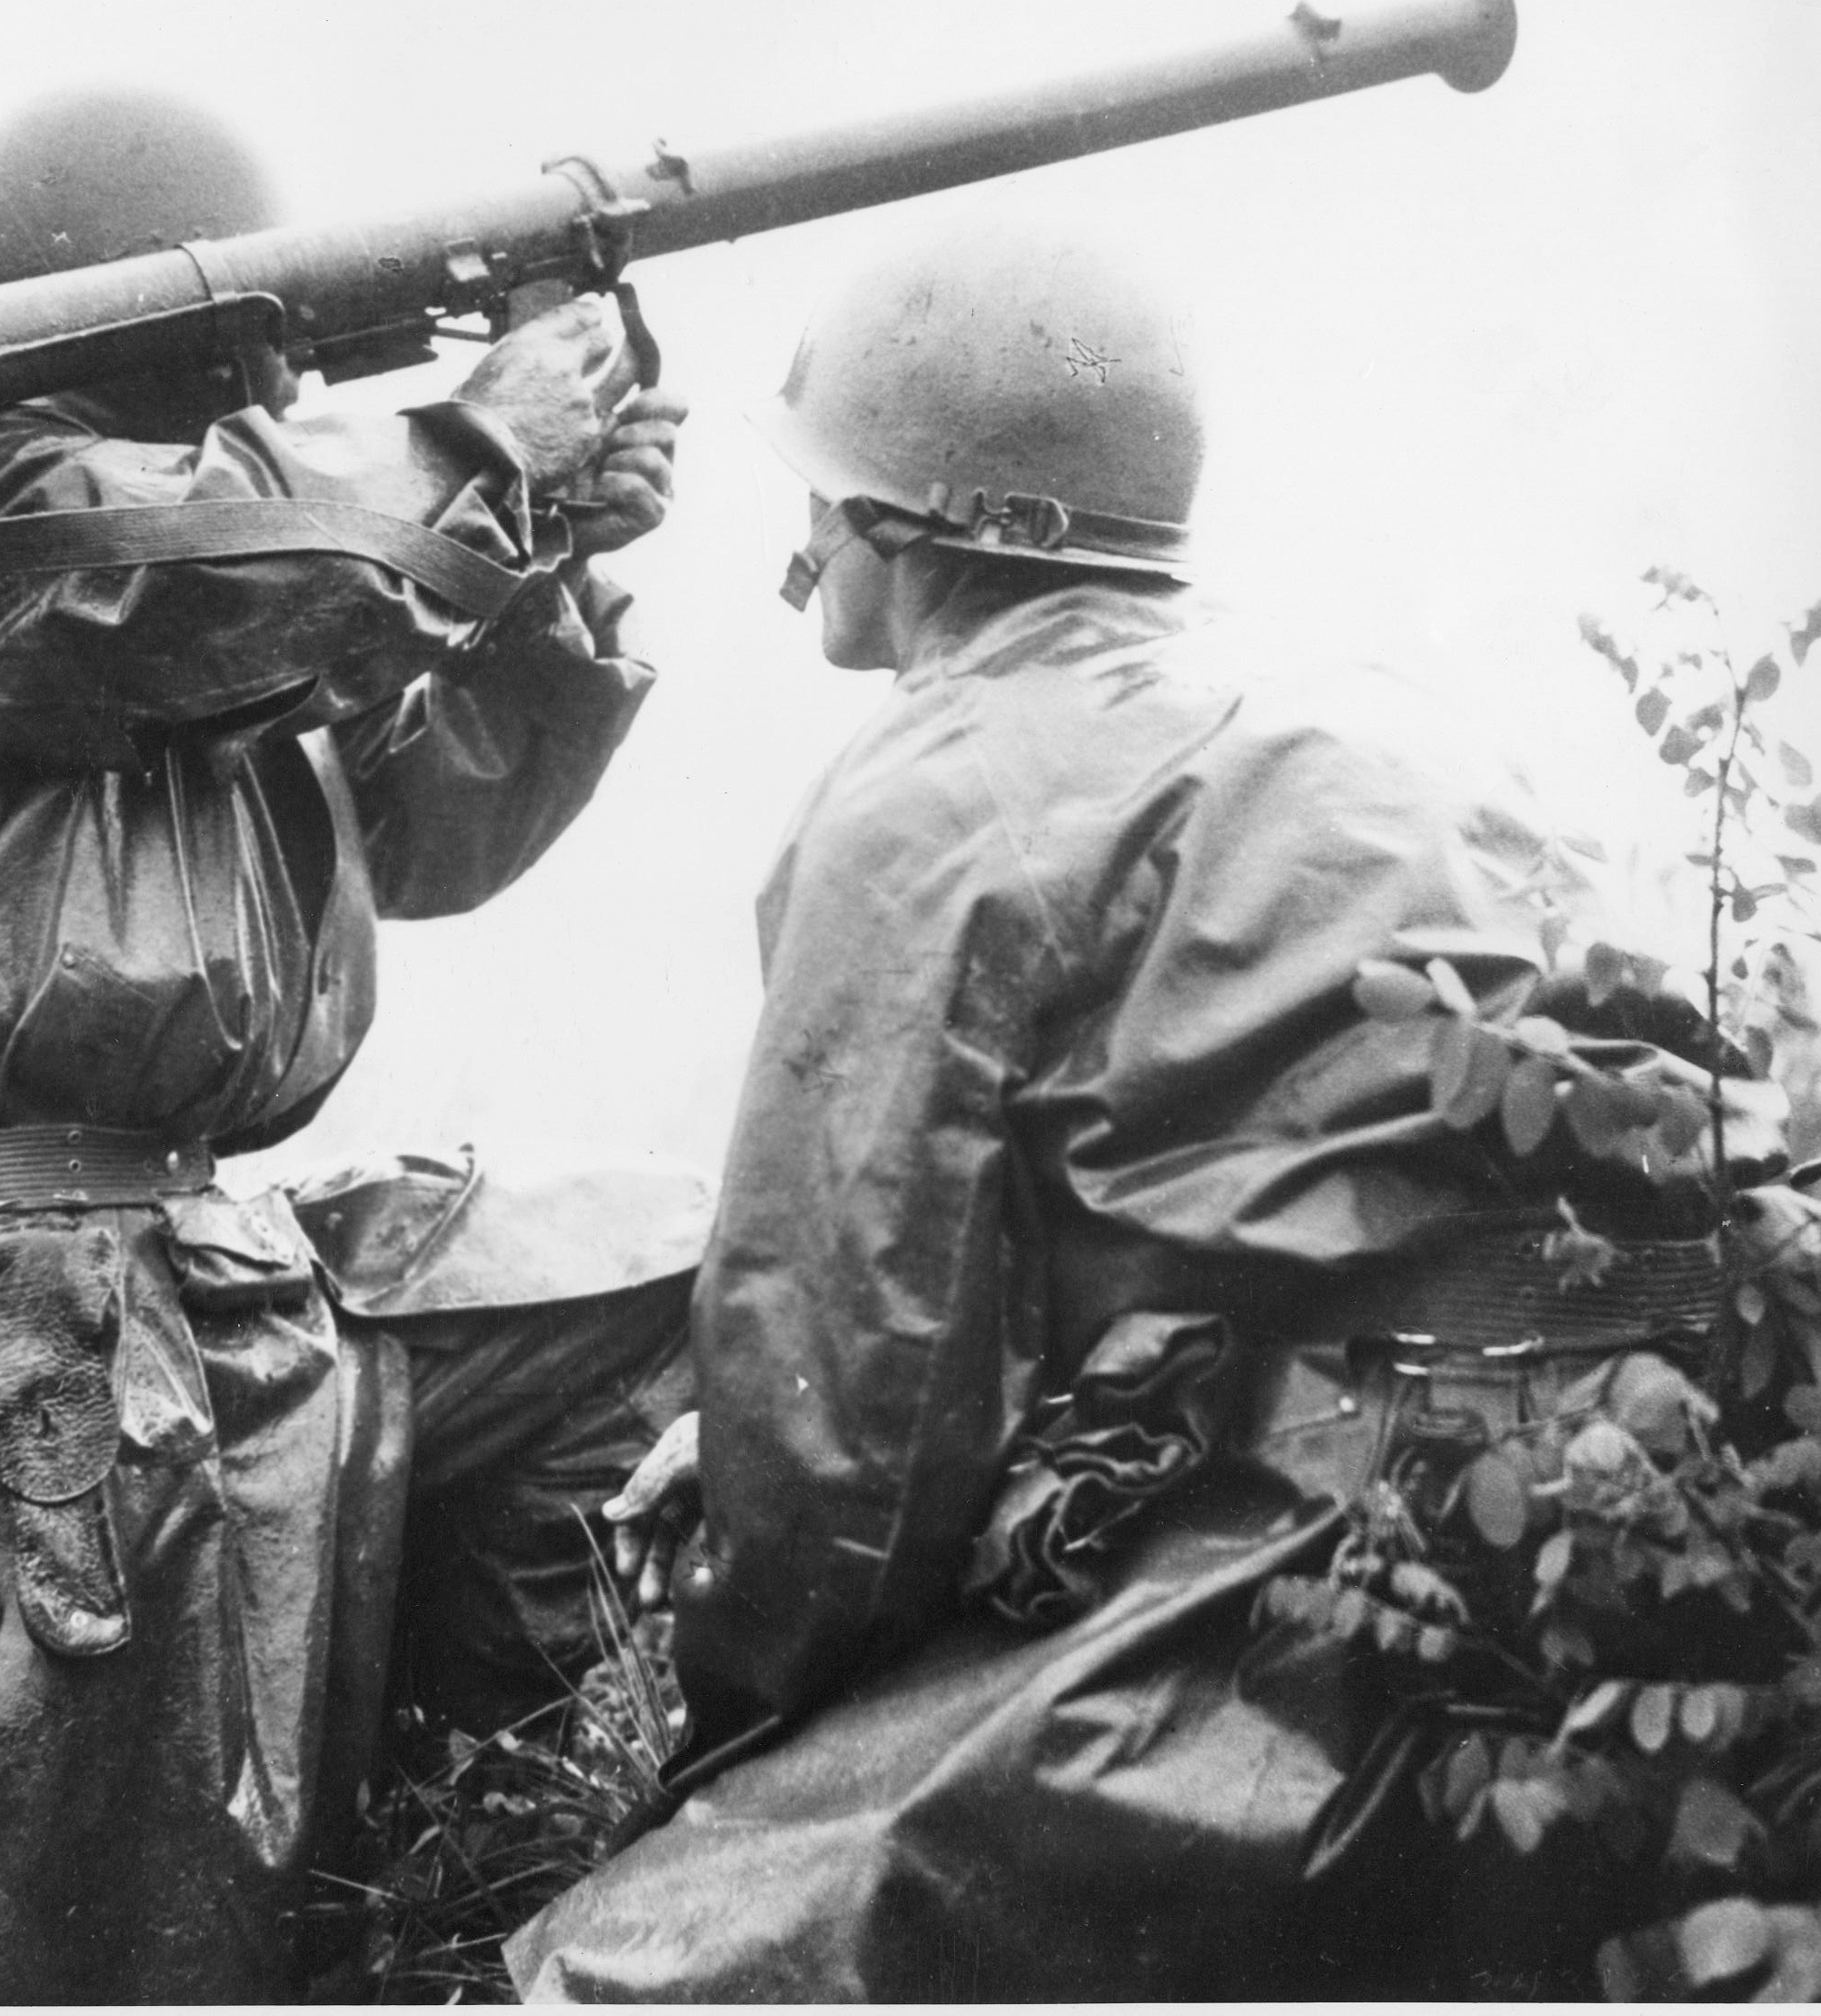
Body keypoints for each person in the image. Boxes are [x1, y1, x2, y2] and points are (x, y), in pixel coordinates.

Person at [510, 215, 1802, 2000]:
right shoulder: (1382, 718)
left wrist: (727, 1759)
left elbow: (842, 1453)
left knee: (625, 1967)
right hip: (1656, 1528)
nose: (798, 537)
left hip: (1319, 1595)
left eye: (825, 489)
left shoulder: (928, 796)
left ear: (914, 522)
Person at [0, 89, 700, 2004]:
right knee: (7, 1956)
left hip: (197, 1274)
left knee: (643, 1274)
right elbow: (184, 576)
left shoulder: (258, 575)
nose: (288, 348)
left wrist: (535, 538)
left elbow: (445, 828)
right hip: (25, 1324)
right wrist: (468, 439)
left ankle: (441, 1855)